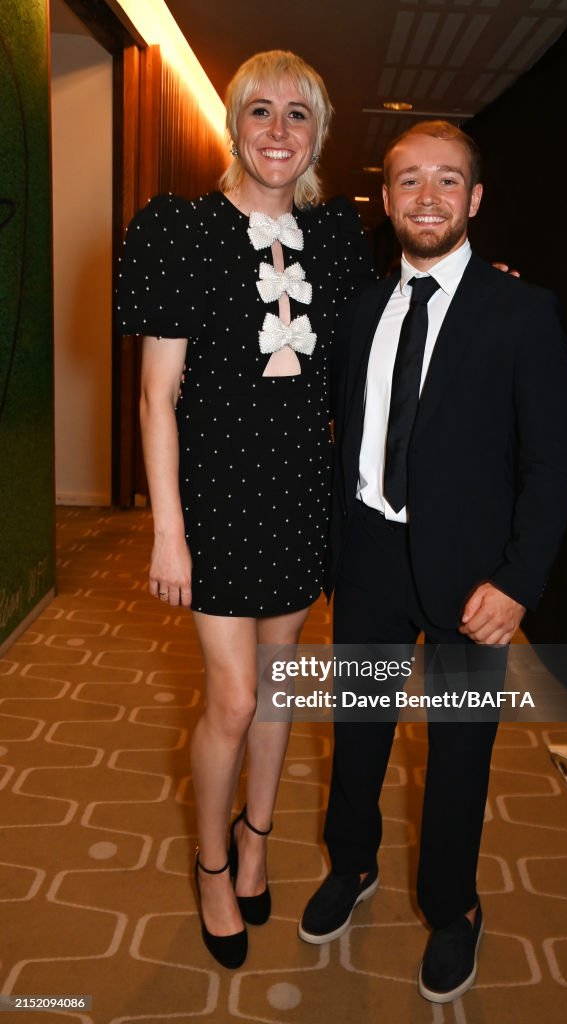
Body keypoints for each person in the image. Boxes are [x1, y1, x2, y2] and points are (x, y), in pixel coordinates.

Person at [298, 120, 567, 1003]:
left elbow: (551, 462)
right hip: (371, 556)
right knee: (358, 733)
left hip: (473, 579)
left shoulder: (522, 312)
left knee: (457, 753)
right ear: (384, 200)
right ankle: (352, 865)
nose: (427, 196)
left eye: (446, 181)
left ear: (475, 198)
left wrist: (519, 583)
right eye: (409, 180)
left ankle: (452, 909)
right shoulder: (361, 308)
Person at [115, 50, 373, 969]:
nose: (276, 131)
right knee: (230, 699)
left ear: (318, 136)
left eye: (296, 116)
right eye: (259, 111)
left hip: (303, 494)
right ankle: (214, 863)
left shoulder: (338, 239)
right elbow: (157, 398)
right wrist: (168, 533)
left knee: (277, 687)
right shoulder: (179, 232)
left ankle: (259, 835)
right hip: (218, 503)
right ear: (233, 125)